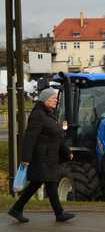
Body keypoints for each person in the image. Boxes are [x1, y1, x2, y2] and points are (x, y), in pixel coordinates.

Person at [8, 88, 75, 223]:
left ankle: (17, 209)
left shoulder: (49, 114)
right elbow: (30, 138)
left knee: (40, 183)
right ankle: (59, 213)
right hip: (41, 157)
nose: (56, 101)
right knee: (48, 182)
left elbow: (56, 136)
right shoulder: (38, 115)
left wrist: (67, 151)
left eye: (56, 98)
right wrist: (26, 159)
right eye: (53, 98)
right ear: (45, 99)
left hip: (49, 157)